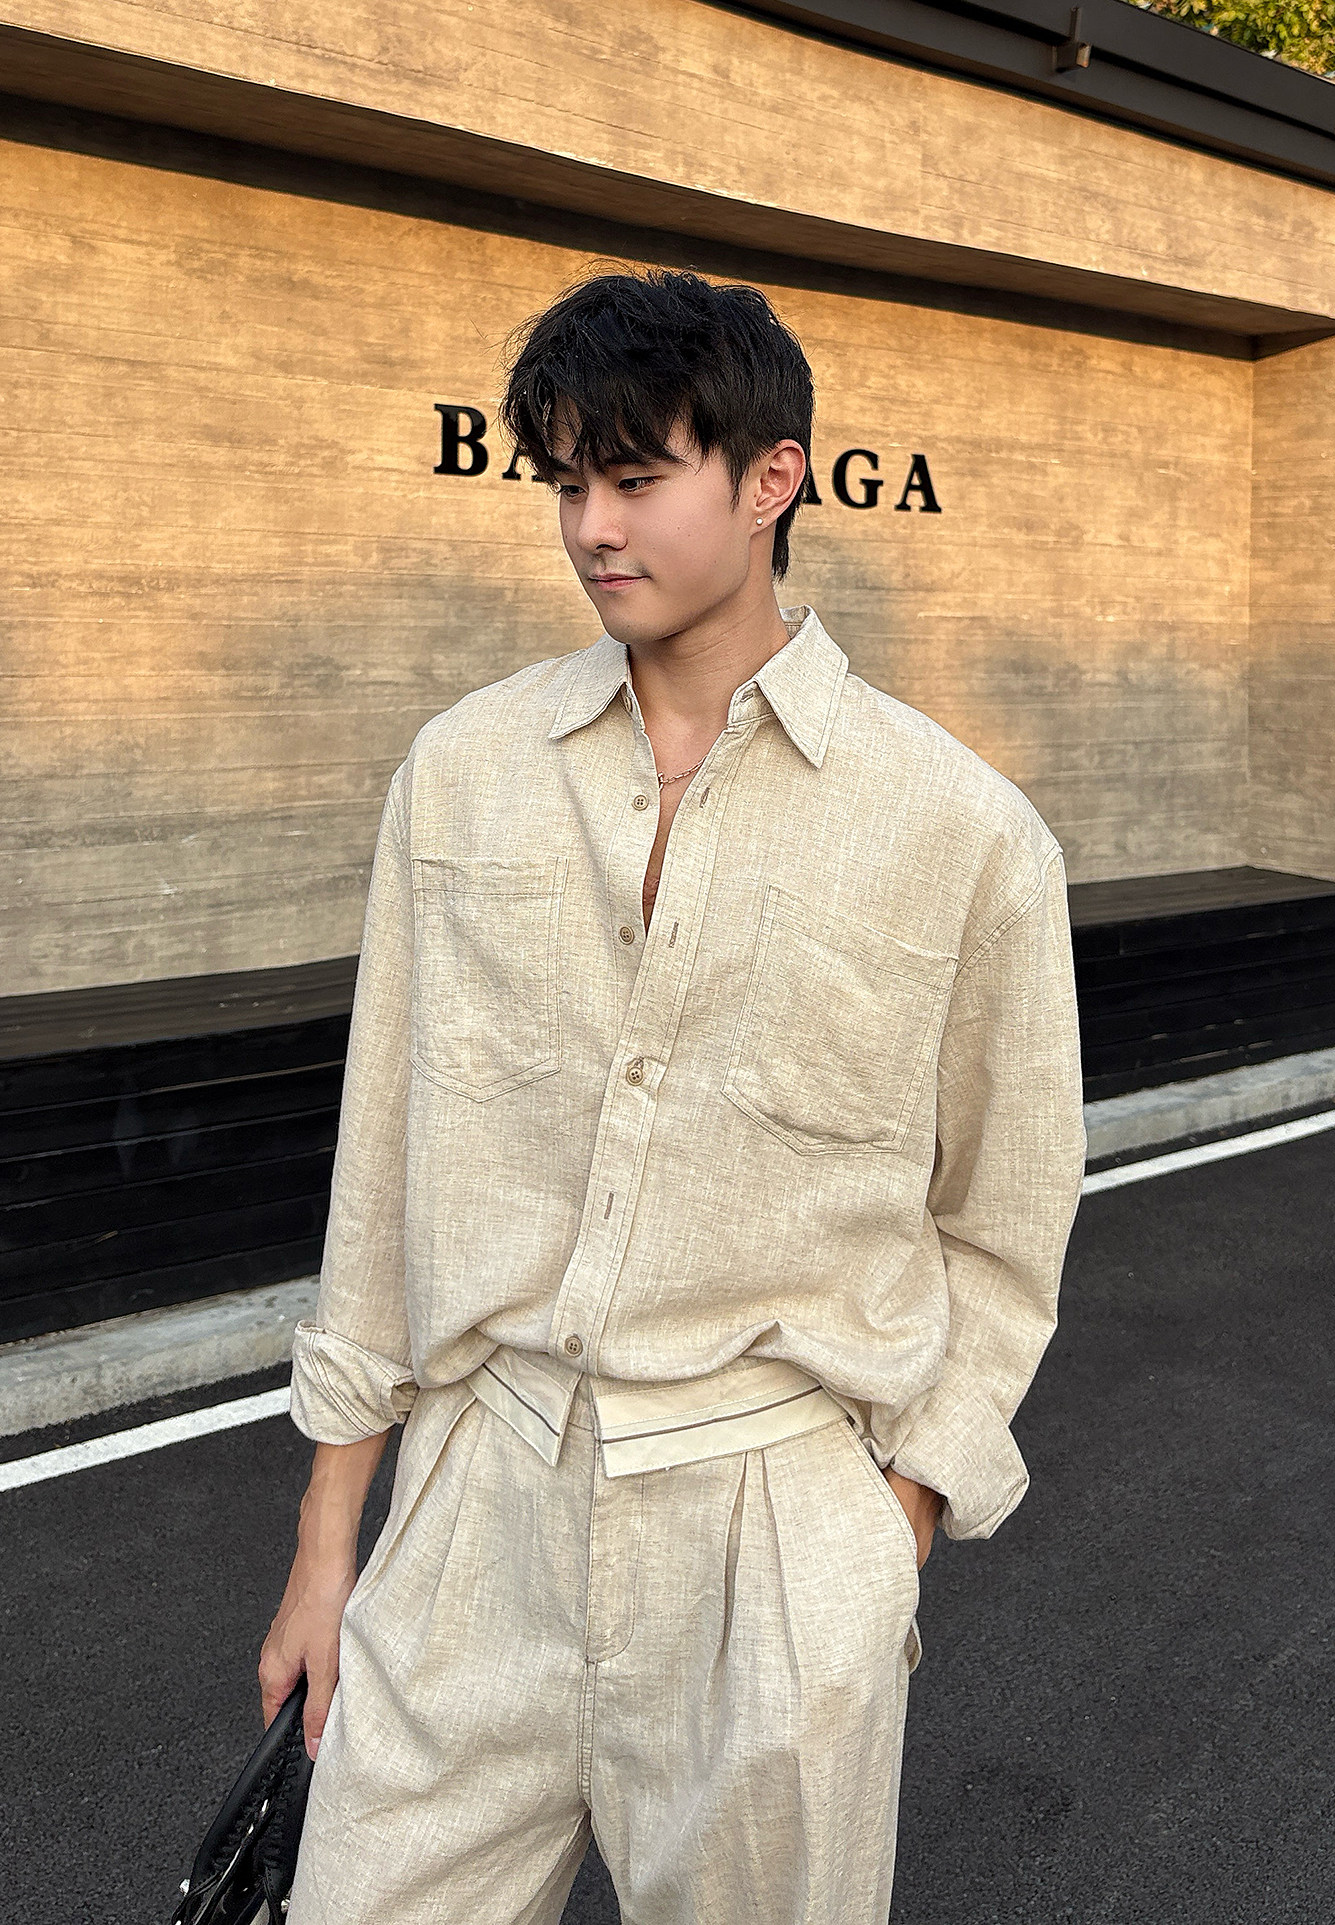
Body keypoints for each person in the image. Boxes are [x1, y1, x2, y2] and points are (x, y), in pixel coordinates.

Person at [262, 269, 1086, 1925]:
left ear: (772, 479)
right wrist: (326, 1534)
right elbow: (386, 1163)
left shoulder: (962, 831)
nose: (591, 526)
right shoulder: (463, 772)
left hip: (769, 1525)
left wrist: (889, 1525)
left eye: (636, 478)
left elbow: (1004, 1222)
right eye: (568, 481)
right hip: (478, 1497)